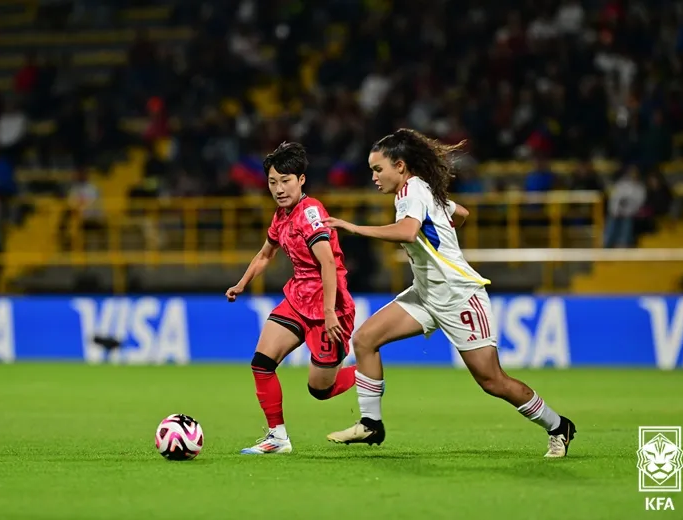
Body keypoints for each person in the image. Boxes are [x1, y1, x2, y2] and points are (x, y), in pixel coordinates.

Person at [324, 129, 576, 458]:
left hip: (459, 297)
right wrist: (443, 237)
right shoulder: (422, 190)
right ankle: (371, 423)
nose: (373, 177)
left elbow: (408, 231)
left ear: (400, 166)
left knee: (492, 380)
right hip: (427, 294)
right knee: (366, 339)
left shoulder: (412, 190)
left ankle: (558, 426)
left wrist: (354, 228)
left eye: (377, 169)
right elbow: (462, 214)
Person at [226, 142, 357, 455]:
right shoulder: (282, 215)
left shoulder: (310, 213)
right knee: (261, 363)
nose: (279, 188)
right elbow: (266, 253)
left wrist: (328, 312)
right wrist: (242, 283)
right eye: (273, 182)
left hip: (330, 304)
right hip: (298, 298)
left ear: (301, 180)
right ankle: (277, 437)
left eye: (285, 181)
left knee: (320, 390)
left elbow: (327, 263)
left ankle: (368, 373)